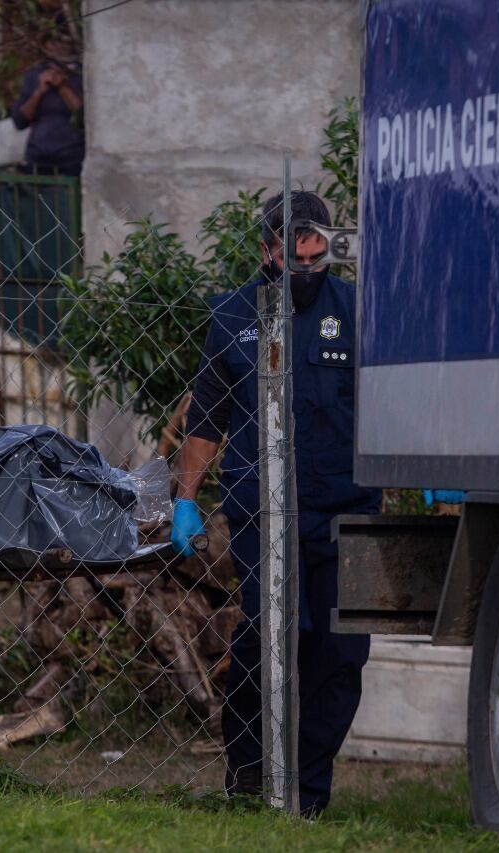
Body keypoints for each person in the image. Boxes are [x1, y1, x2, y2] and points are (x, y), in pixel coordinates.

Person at [169, 190, 381, 817]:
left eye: (319, 256)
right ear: (267, 251)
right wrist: (186, 499)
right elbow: (206, 418)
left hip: (346, 512)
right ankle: (248, 775)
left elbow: (396, 403)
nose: (308, 269)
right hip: (263, 513)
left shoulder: (358, 311)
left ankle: (308, 794)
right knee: (269, 641)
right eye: (296, 257)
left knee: (339, 655)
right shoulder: (233, 316)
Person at [10, 38, 85, 177]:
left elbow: (84, 118)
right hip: (38, 158)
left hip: (72, 160)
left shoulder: (81, 75)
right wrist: (39, 92)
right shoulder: (34, 75)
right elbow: (19, 121)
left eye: (62, 41)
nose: (57, 46)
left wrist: (62, 87)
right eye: (52, 41)